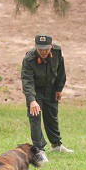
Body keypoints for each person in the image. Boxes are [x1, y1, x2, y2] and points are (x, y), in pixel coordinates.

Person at [21, 34, 73, 163]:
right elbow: (27, 81)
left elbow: (61, 71)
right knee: (35, 118)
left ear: (51, 46)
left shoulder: (57, 51)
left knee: (52, 116)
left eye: (46, 49)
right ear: (35, 47)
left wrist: (58, 89)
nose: (43, 52)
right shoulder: (29, 58)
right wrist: (32, 100)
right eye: (40, 49)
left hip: (50, 89)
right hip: (35, 91)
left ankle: (56, 145)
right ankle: (39, 151)